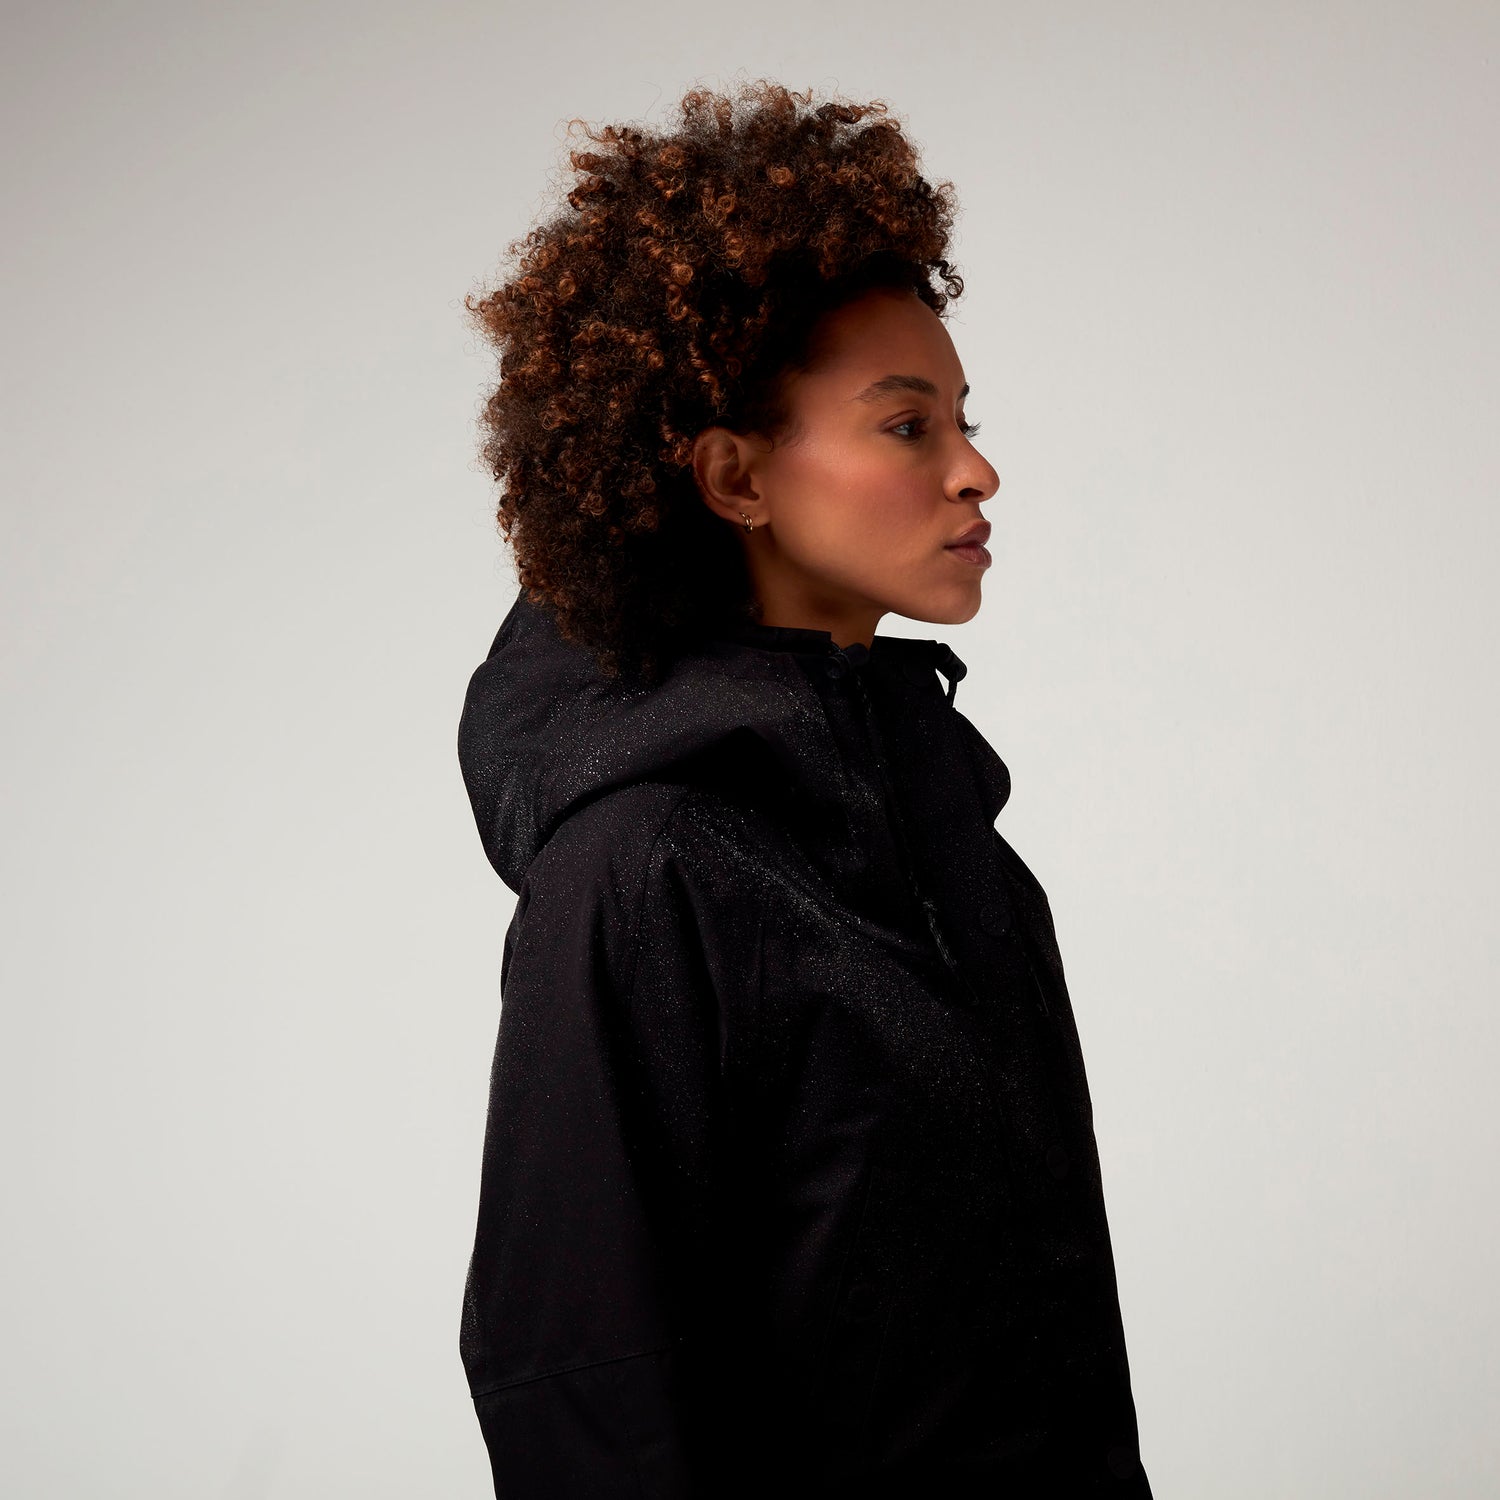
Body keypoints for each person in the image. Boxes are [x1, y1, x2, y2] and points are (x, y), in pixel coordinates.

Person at [455, 79, 1154, 1498]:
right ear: (734, 478)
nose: (977, 471)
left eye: (963, 418)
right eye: (908, 427)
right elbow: (583, 1380)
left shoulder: (962, 861)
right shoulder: (640, 873)